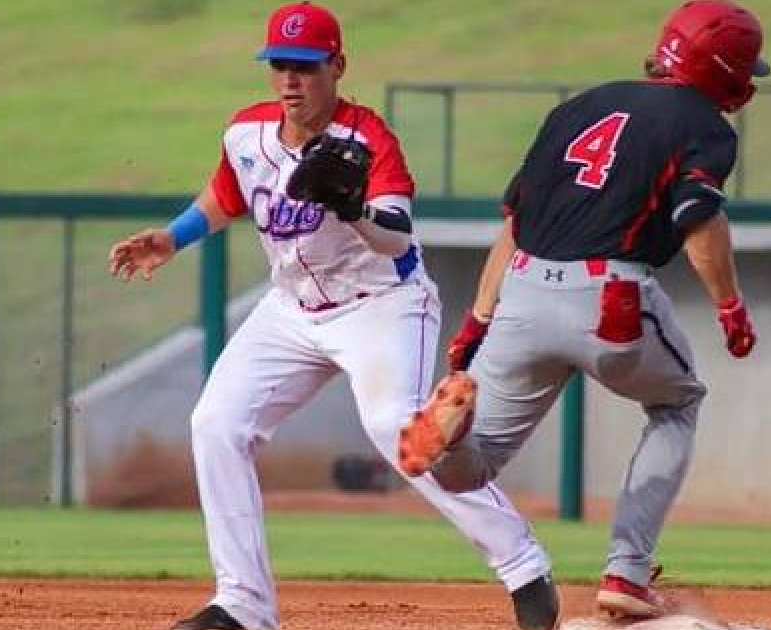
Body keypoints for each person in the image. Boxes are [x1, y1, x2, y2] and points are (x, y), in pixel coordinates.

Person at [107, 3, 558, 630]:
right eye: (281, 66)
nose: (291, 79)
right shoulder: (246, 132)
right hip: (291, 311)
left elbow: (398, 237)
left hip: (381, 305)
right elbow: (229, 192)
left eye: (307, 67)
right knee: (216, 423)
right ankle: (242, 604)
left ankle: (524, 567)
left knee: (396, 429)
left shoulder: (368, 138)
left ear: (338, 66)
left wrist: (353, 211)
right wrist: (175, 236)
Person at [399, 0, 766, 621]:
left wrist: (478, 320)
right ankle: (626, 569)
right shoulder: (705, 125)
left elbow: (515, 222)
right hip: (610, 297)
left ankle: (453, 433)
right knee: (678, 402)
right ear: (725, 68)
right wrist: (729, 306)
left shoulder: (577, 108)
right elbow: (699, 217)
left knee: (469, 471)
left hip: (522, 294)